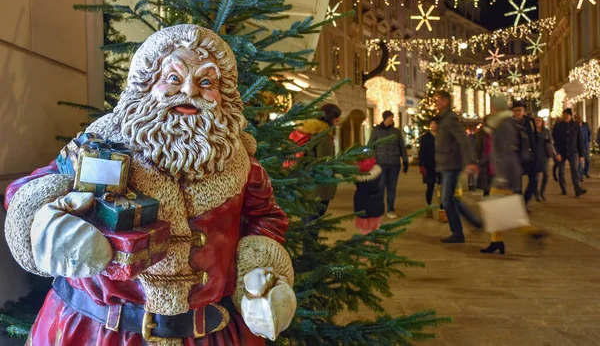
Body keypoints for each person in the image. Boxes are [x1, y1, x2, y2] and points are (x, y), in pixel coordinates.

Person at [3, 25, 295, 345]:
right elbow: (35, 186)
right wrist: (47, 224)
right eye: (173, 78)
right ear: (146, 84)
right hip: (97, 331)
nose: (189, 90)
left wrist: (259, 268)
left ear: (222, 94)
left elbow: (266, 218)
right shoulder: (100, 144)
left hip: (209, 332)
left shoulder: (241, 165)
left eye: (206, 82)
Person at [480, 96, 546, 255]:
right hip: (505, 171)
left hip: (506, 173)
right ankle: (497, 242)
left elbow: (507, 151)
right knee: (497, 208)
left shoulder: (504, 125)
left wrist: (502, 176)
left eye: (493, 106)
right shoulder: (501, 123)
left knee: (505, 211)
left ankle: (532, 232)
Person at [435, 91, 482, 244]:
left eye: (438, 100)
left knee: (447, 200)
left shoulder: (450, 119)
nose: (436, 103)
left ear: (445, 102)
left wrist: (470, 161)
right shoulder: (443, 119)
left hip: (452, 165)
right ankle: (474, 223)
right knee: (452, 199)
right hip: (446, 163)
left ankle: (458, 233)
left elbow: (463, 140)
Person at [290, 103, 342, 223]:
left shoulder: (309, 132)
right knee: (313, 223)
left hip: (305, 185)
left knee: (306, 221)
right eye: (336, 119)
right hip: (318, 187)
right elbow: (325, 162)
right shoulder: (324, 137)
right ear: (330, 119)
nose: (338, 122)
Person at [368, 110, 409, 219]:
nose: (392, 119)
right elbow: (370, 145)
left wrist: (405, 161)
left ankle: (390, 209)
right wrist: (368, 160)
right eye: (390, 117)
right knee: (380, 187)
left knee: (392, 188)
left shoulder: (396, 132)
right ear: (385, 118)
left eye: (392, 117)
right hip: (380, 163)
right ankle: (379, 208)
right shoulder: (376, 131)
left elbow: (402, 147)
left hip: (394, 164)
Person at [511, 100, 540, 206]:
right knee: (517, 185)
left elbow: (536, 137)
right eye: (515, 110)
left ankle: (524, 202)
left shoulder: (530, 122)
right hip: (516, 157)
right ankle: (519, 206)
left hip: (530, 156)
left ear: (524, 111)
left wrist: (537, 153)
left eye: (520, 110)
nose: (518, 113)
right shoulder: (509, 123)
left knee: (534, 181)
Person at [552, 108, 587, 197]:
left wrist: (581, 155)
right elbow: (554, 140)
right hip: (561, 152)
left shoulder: (575, 126)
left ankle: (577, 189)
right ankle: (563, 189)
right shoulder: (558, 126)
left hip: (573, 152)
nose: (565, 116)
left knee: (574, 170)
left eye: (567, 114)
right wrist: (557, 152)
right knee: (561, 171)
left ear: (571, 116)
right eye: (564, 114)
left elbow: (580, 141)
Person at [353, 156, 385, 235]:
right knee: (375, 228)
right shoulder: (378, 176)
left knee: (364, 229)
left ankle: (366, 243)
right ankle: (375, 244)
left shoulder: (358, 180)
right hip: (376, 206)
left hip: (361, 206)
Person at [419, 119, 439, 209]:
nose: (433, 125)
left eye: (435, 123)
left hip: (441, 164)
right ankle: (428, 205)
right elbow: (422, 152)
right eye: (432, 123)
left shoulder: (442, 136)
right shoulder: (425, 137)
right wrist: (421, 165)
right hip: (429, 165)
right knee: (430, 186)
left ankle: (442, 208)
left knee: (442, 187)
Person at [534, 116, 555, 201]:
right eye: (536, 121)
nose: (538, 122)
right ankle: (536, 193)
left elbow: (551, 142)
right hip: (535, 157)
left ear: (542, 122)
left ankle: (542, 191)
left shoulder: (546, 131)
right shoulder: (532, 132)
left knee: (546, 175)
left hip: (545, 157)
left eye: (539, 120)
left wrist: (554, 153)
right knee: (535, 178)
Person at [474, 120, 492, 198]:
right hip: (486, 162)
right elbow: (477, 148)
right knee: (487, 185)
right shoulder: (481, 135)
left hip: (495, 162)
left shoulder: (498, 132)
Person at [574, 114, 592, 180]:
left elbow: (589, 132)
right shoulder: (575, 126)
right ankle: (580, 175)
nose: (578, 119)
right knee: (580, 161)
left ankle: (586, 172)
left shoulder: (586, 125)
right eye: (577, 118)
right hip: (578, 146)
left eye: (579, 118)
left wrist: (589, 140)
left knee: (587, 160)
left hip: (586, 145)